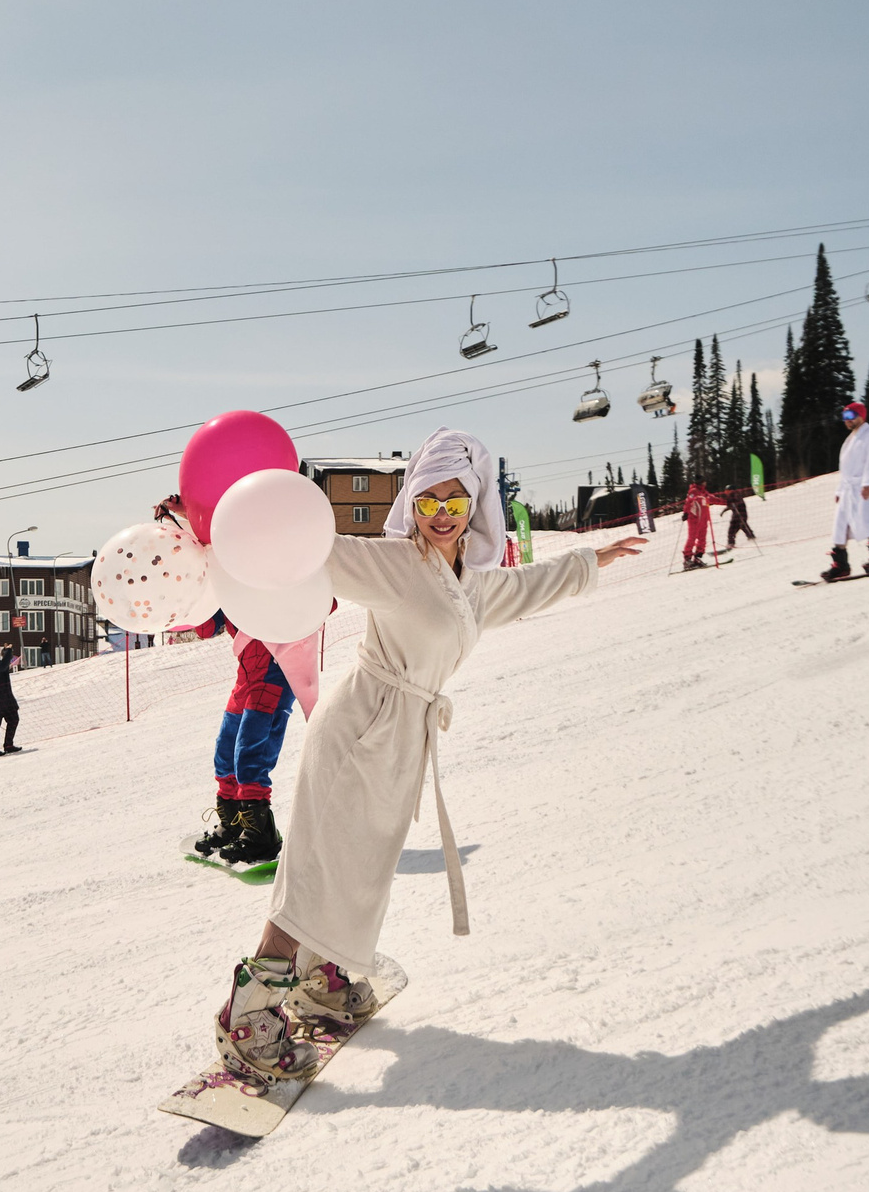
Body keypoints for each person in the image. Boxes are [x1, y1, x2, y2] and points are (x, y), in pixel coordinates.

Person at [209, 428, 646, 1081]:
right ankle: (249, 1010)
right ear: (411, 503)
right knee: (315, 869)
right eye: (429, 499)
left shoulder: (470, 581)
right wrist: (244, 536)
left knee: (361, 867)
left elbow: (529, 585)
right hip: (359, 728)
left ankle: (323, 975)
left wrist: (593, 559)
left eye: (455, 500)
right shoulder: (395, 563)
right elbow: (319, 554)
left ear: (475, 505)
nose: (442, 513)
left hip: (398, 741)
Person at [189, 615, 298, 866]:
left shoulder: (272, 578)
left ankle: (262, 836)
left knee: (250, 753)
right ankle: (234, 825)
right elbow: (206, 629)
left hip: (274, 674)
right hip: (246, 678)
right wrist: (195, 602)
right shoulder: (225, 585)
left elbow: (321, 603)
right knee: (225, 753)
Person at [821, 402, 869, 581]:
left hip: (863, 488)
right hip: (847, 491)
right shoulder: (850, 439)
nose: (847, 421)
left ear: (861, 416)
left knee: (868, 520)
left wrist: (868, 483)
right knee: (839, 526)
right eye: (845, 417)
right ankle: (840, 565)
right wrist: (840, 489)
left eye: (850, 416)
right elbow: (845, 468)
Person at [680, 483, 712, 569]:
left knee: (702, 539)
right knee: (692, 538)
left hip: (703, 520)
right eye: (703, 481)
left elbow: (712, 499)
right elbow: (688, 501)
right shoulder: (694, 491)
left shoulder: (704, 492)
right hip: (694, 519)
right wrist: (686, 512)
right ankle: (687, 560)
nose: (705, 483)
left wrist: (726, 502)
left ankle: (697, 558)